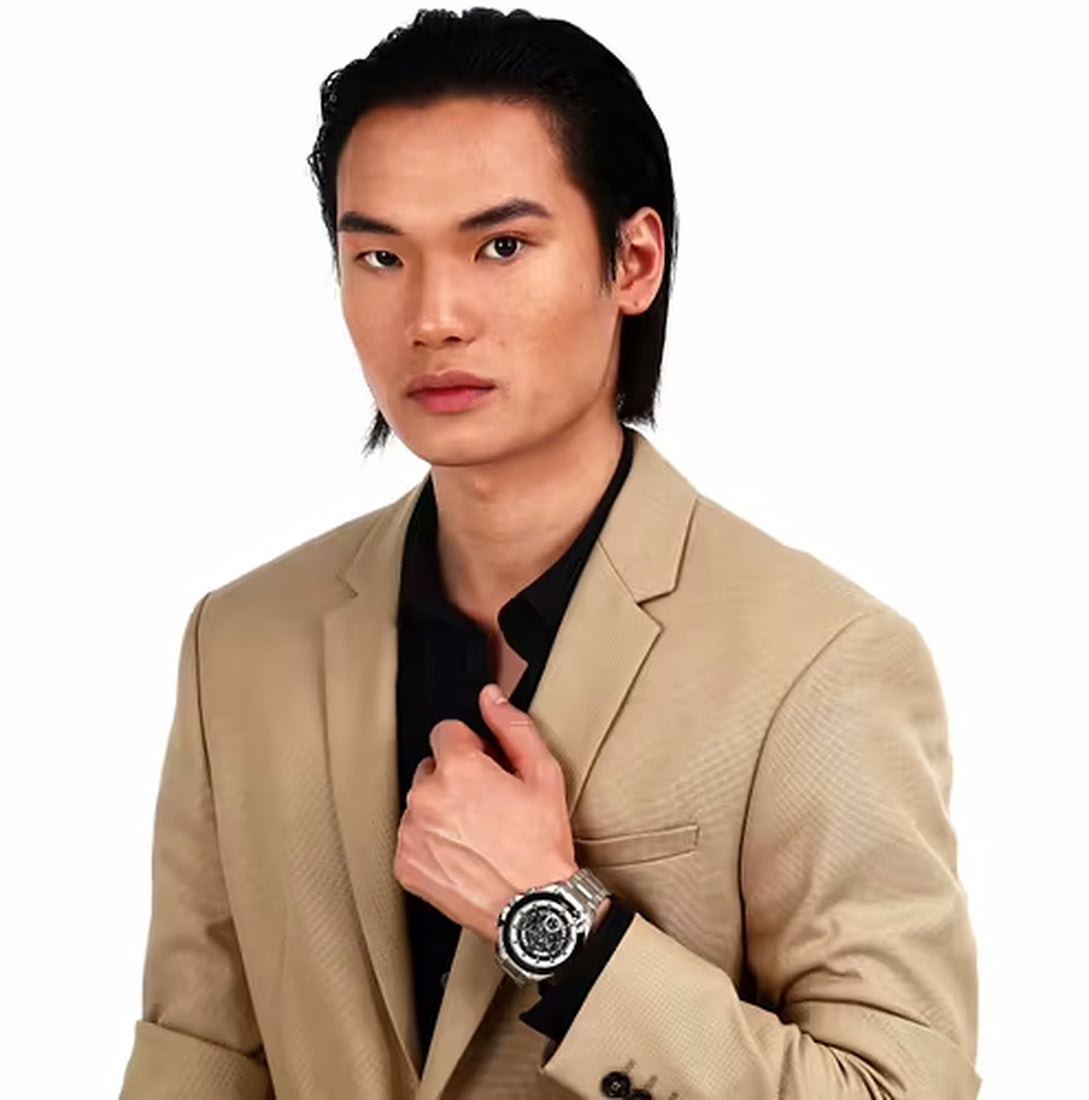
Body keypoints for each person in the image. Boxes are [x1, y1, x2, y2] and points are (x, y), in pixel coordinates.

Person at [119, 8, 980, 1099]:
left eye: (501, 246)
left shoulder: (821, 660)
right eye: (379, 255)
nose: (432, 317)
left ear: (634, 260)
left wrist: (557, 922)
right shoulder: (239, 641)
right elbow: (198, 1054)